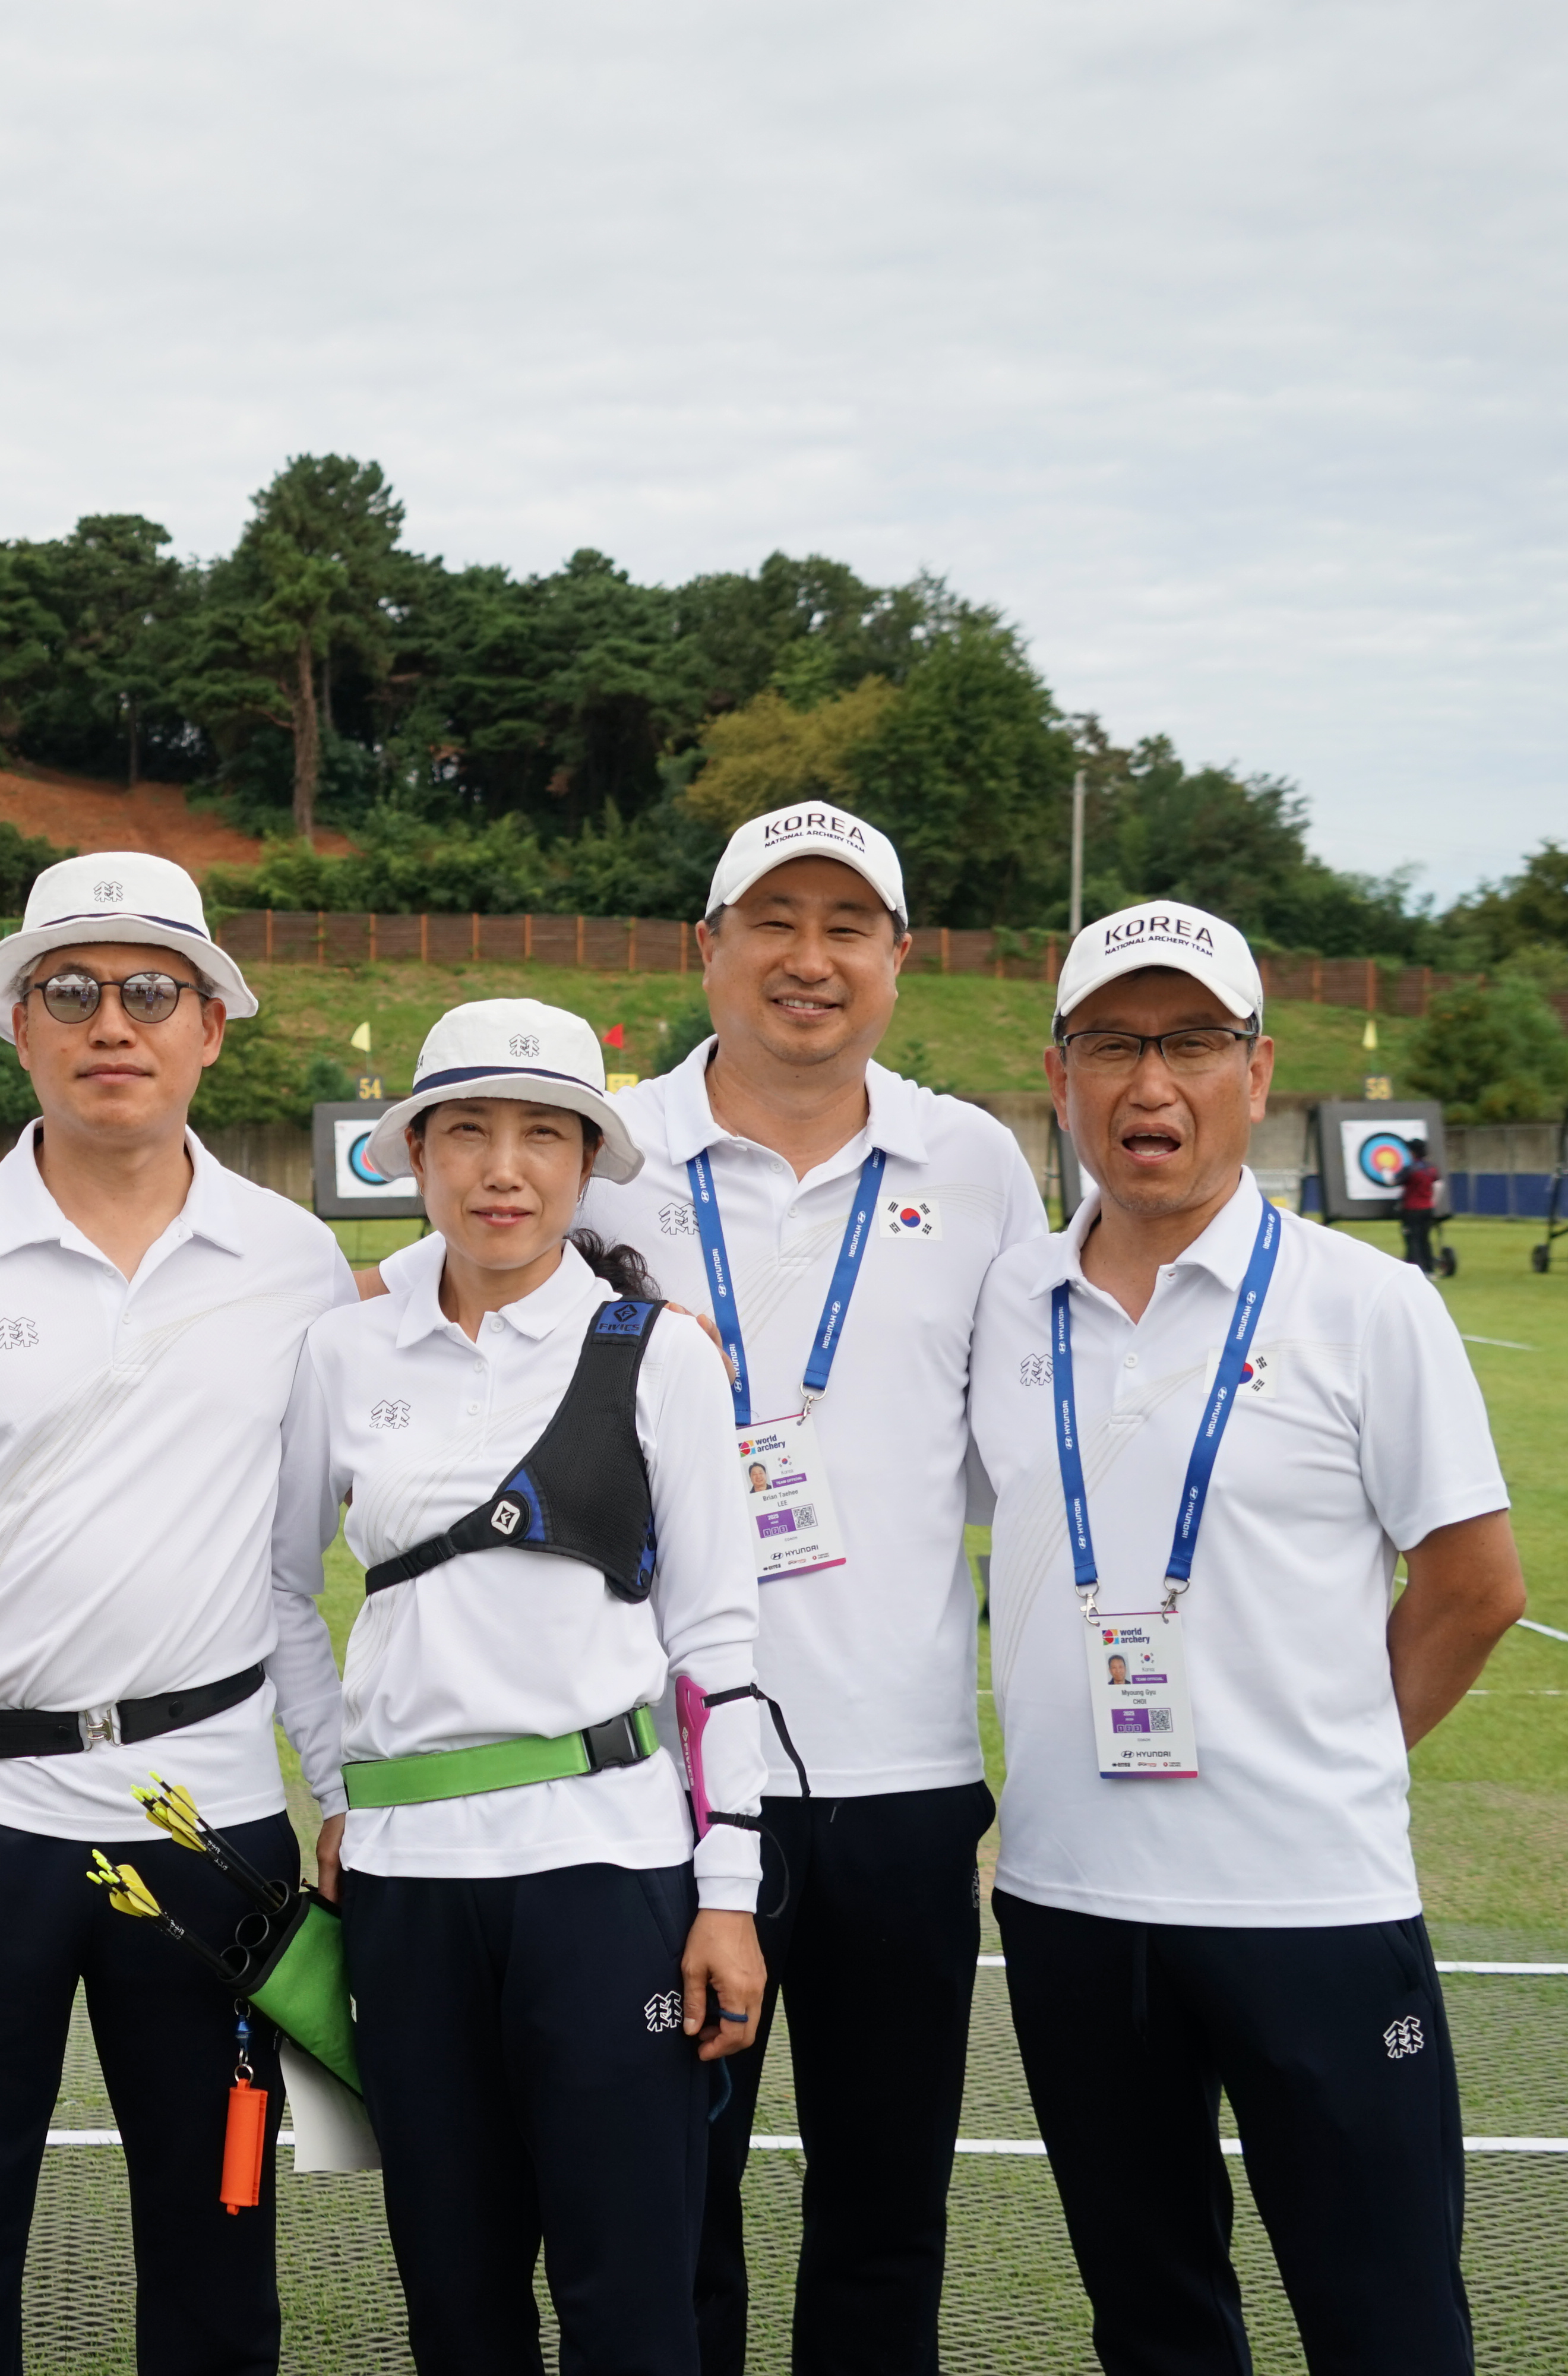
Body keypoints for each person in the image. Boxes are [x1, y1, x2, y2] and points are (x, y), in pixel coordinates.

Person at [375, 800, 1041, 2374]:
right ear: (709, 947)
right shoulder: (603, 1150)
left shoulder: (976, 1161)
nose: (809, 962)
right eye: (773, 923)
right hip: (660, 1791)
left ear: (896, 956)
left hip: (902, 1776)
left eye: (847, 928)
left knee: (887, 2213)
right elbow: (416, 1293)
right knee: (673, 2215)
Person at [0, 851, 358, 2376]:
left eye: (153, 988)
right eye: (72, 990)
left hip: (212, 1818)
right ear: (16, 1027)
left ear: (211, 1026)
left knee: (220, 2228)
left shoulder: (300, 1263)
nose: (116, 1021)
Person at [971, 899, 1528, 2375]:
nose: (1152, 1083)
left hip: (1309, 1901)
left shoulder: (1368, 1304)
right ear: (1061, 1073)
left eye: (1193, 1042)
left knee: (1386, 2317)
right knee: (1151, 2318)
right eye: (1113, 1043)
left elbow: (1476, 1582)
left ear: (1259, 1070)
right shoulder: (1006, 1302)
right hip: (1071, 1900)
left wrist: (1330, 1750)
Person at [284, 997, 770, 2376]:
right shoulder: (342, 1348)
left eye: (542, 1135)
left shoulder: (657, 1349)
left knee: (630, 2306)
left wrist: (727, 1894)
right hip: (403, 1886)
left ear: (583, 1161)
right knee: (456, 2300)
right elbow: (278, 1589)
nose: (504, 1168)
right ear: (417, 1156)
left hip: (609, 1874)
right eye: (469, 1133)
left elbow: (722, 1637)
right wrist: (335, 1787)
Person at [1397, 1136, 1443, 1276]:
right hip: (1427, 1209)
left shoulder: (1411, 1169)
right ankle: (1429, 1269)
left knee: (1413, 1239)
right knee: (1425, 1239)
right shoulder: (1431, 1169)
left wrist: (1385, 1171)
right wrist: (1433, 1203)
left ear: (1412, 1152)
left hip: (1412, 1210)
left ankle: (1415, 1270)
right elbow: (1439, 1185)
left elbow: (1393, 1181)